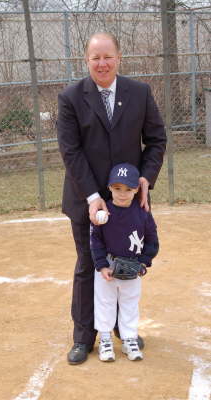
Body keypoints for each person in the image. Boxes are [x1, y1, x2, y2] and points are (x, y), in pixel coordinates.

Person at [57, 31, 166, 365]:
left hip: (127, 202)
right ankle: (83, 336)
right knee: (89, 264)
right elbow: (71, 151)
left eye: (107, 56)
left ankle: (122, 330)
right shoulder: (71, 97)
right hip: (85, 197)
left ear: (119, 57)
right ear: (86, 60)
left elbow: (157, 140)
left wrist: (144, 179)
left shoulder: (139, 92)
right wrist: (92, 196)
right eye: (95, 58)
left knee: (126, 265)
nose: (102, 63)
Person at [90, 162, 159, 362]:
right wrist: (101, 265)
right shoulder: (105, 214)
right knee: (105, 303)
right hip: (107, 268)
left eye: (128, 189)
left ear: (137, 189)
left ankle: (129, 339)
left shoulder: (142, 212)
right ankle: (105, 339)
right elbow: (96, 241)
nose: (122, 193)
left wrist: (144, 263)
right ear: (109, 187)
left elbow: (152, 239)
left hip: (132, 267)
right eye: (117, 188)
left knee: (130, 303)